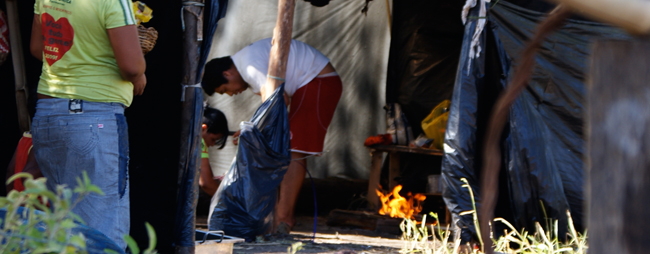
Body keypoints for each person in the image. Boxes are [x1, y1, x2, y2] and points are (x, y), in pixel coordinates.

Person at [30, 0, 146, 249]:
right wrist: (140, 74)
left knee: (64, 228)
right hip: (94, 117)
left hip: (48, 114)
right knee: (100, 234)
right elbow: (131, 67)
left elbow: (38, 48)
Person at [202, 38, 342, 234]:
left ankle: (284, 219)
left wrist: (252, 130)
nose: (232, 94)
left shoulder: (249, 68)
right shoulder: (246, 62)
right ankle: (278, 215)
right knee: (285, 146)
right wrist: (254, 129)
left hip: (318, 81)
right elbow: (271, 108)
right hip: (311, 83)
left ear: (227, 73)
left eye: (225, 90)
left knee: (294, 150)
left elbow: (278, 100)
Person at [199, 107, 230, 196]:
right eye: (213, 139)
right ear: (204, 128)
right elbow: (206, 183)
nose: (212, 144)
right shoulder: (199, 140)